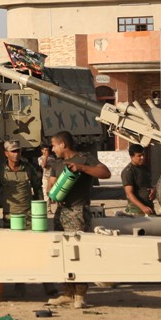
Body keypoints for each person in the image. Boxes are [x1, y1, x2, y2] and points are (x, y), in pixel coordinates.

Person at [45, 131, 111, 308]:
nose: (52, 148)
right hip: (61, 212)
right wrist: (50, 192)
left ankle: (80, 295)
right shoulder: (57, 163)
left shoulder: (84, 159)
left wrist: (81, 168)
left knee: (79, 253)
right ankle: (67, 293)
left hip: (78, 211)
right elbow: (50, 183)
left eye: (54, 145)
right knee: (63, 253)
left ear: (63, 145)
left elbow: (105, 173)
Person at [0, 140, 42, 228]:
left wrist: (40, 214)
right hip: (10, 218)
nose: (16, 154)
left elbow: (38, 190)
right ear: (6, 153)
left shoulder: (28, 168)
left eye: (18, 151)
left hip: (28, 218)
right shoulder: (0, 172)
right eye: (13, 151)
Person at [121, 144, 154, 216]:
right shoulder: (128, 171)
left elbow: (147, 185)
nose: (142, 158)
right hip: (137, 210)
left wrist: (153, 190)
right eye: (139, 156)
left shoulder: (144, 168)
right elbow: (129, 193)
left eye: (143, 155)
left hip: (148, 206)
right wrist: (143, 207)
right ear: (132, 157)